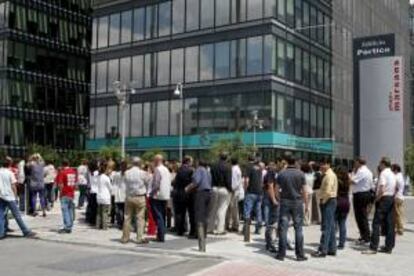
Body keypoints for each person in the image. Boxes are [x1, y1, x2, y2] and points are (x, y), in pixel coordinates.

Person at [275, 153, 308, 262]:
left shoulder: (281, 174)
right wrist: (306, 204)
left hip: (285, 201)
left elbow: (276, 189)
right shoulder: (301, 174)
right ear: (295, 162)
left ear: (287, 161)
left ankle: (281, 254)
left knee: (283, 228)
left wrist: (280, 198)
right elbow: (305, 191)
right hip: (297, 202)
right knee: (298, 228)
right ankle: (300, 255)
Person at [363, 157, 397, 255]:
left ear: (383, 163)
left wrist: (376, 200)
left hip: (384, 199)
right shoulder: (392, 173)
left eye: (380, 163)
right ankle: (389, 247)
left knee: (376, 223)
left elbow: (381, 189)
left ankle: (373, 247)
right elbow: (395, 188)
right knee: (390, 224)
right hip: (391, 198)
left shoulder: (383, 173)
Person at [0, 157, 36, 239]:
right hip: (9, 196)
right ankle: (25, 231)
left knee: (1, 215)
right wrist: (16, 196)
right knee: (17, 215)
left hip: (1, 196)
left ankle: (1, 232)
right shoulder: (9, 173)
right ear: (9, 164)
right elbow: (13, 186)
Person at [121, 157, 151, 244]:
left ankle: (125, 238)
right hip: (140, 196)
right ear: (139, 163)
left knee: (127, 217)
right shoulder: (143, 173)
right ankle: (139, 237)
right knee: (140, 218)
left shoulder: (127, 172)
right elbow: (148, 182)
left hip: (129, 196)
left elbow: (125, 182)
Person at [312, 158, 338, 258]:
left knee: (326, 226)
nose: (321, 167)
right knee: (330, 226)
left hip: (328, 201)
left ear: (328, 164)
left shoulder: (329, 175)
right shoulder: (327, 174)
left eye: (323, 164)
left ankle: (323, 250)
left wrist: (323, 201)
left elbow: (327, 191)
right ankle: (332, 249)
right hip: (329, 200)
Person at [186, 159, 212, 252]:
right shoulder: (208, 172)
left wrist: (187, 188)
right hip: (208, 193)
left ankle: (200, 237)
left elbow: (196, 181)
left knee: (199, 215)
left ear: (199, 163)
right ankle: (203, 234)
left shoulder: (199, 170)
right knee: (205, 215)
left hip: (200, 193)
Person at [351, 157, 374, 244]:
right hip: (365, 194)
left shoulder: (361, 171)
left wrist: (352, 173)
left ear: (358, 162)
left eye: (355, 162)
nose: (354, 164)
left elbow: (353, 181)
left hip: (360, 195)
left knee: (360, 216)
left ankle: (365, 236)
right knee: (363, 216)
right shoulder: (369, 171)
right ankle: (364, 235)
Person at [208, 153, 232, 235]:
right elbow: (228, 180)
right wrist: (230, 190)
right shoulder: (228, 167)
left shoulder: (213, 166)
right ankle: (220, 229)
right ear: (227, 158)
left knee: (213, 209)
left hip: (214, 188)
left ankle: (210, 228)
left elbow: (210, 178)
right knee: (222, 209)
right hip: (224, 189)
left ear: (219, 157)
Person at [149, 154, 171, 242]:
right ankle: (162, 233)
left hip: (157, 195)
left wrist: (151, 193)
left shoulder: (158, 169)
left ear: (157, 160)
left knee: (158, 215)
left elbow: (156, 183)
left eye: (154, 160)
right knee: (162, 215)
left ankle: (160, 236)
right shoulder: (166, 169)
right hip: (165, 195)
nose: (153, 162)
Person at [172, 156, 195, 237]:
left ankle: (180, 230)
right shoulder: (191, 170)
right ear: (188, 161)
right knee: (191, 213)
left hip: (179, 193)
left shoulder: (179, 170)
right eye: (191, 161)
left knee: (180, 213)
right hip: (189, 194)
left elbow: (174, 182)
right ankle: (192, 231)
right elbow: (193, 182)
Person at [243, 156, 263, 241]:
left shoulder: (249, 167)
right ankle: (258, 229)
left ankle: (246, 229)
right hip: (259, 192)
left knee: (247, 210)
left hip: (251, 191)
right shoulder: (259, 168)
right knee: (258, 210)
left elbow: (246, 180)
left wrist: (245, 188)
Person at [55, 159, 77, 234]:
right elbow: (76, 184)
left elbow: (60, 184)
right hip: (71, 193)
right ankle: (70, 225)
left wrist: (60, 193)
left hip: (65, 193)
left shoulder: (62, 172)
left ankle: (67, 227)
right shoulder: (73, 172)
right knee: (70, 210)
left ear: (62, 165)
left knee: (65, 211)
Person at [263, 162, 278, 253]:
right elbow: (270, 186)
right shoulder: (271, 173)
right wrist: (274, 199)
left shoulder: (270, 173)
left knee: (270, 222)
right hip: (270, 200)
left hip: (269, 198)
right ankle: (269, 244)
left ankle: (269, 243)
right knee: (271, 222)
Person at [335, 166, 351, 249]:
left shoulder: (337, 181)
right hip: (346, 202)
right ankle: (342, 243)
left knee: (334, 224)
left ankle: (332, 241)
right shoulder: (347, 181)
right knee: (342, 224)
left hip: (338, 201)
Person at [226, 157, 243, 233]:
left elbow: (234, 181)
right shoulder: (238, 169)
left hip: (233, 191)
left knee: (233, 209)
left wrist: (232, 189)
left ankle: (234, 225)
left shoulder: (234, 170)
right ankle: (233, 224)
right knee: (233, 209)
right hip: (235, 190)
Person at [96, 161, 112, 230]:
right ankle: (105, 226)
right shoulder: (106, 178)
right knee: (105, 212)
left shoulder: (99, 177)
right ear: (106, 169)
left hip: (99, 196)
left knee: (99, 212)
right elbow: (110, 188)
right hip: (106, 197)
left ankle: (98, 225)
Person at [113, 161, 127, 230]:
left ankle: (121, 223)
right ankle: (123, 223)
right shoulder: (126, 174)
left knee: (119, 210)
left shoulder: (117, 174)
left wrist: (113, 192)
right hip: (124, 194)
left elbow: (114, 184)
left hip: (119, 193)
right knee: (123, 210)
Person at [392, 164, 405, 235]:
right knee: (399, 214)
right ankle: (399, 229)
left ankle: (400, 229)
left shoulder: (396, 177)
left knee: (397, 215)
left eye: (392, 169)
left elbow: (396, 188)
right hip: (400, 197)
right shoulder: (400, 176)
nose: (392, 171)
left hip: (396, 197)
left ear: (396, 170)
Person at [86, 160, 99, 226]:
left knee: (91, 207)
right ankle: (95, 221)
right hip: (97, 191)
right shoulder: (97, 173)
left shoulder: (90, 172)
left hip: (91, 191)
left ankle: (91, 220)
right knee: (96, 208)